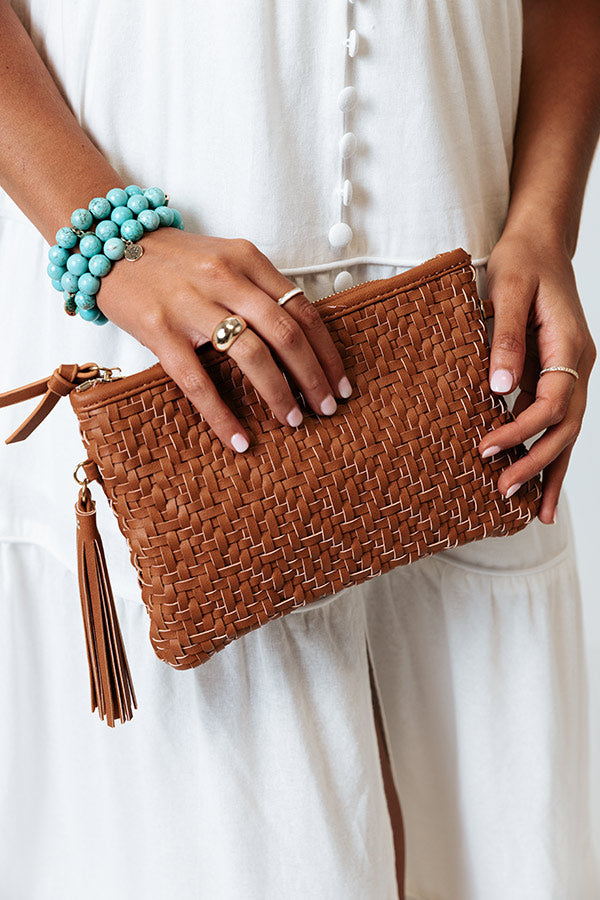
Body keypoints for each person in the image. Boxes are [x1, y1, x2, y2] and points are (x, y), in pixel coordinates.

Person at [0, 1, 597, 898]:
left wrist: (547, 223)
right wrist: (105, 237)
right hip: (164, 346)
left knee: (486, 836)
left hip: (460, 349)